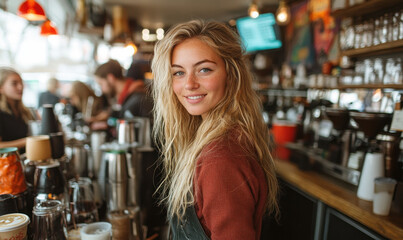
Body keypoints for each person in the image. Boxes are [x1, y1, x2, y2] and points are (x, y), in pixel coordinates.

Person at [151, 20, 279, 239]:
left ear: (231, 74)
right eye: (178, 73)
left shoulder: (220, 158)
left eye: (204, 69)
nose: (189, 84)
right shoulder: (218, 137)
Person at [94, 59, 166, 237]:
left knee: (147, 222)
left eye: (101, 84)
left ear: (110, 78)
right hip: (139, 169)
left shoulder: (139, 99)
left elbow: (156, 139)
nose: (101, 89)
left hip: (147, 172)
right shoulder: (130, 98)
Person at [0, 67, 35, 151]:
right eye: (14, 83)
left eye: (21, 83)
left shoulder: (25, 111)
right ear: (1, 88)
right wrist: (28, 141)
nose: (20, 87)